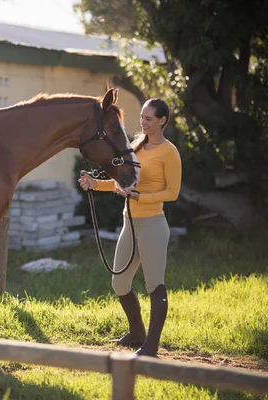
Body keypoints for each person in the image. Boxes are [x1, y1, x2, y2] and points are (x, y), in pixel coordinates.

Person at [78, 98, 182, 357]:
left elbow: (173, 192)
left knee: (154, 285)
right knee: (119, 283)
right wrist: (94, 183)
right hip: (129, 222)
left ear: (162, 121)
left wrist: (141, 198)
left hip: (153, 225)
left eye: (148, 119)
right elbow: (120, 182)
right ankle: (137, 333)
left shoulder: (169, 152)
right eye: (142, 118)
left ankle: (151, 346)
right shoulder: (135, 146)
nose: (143, 123)